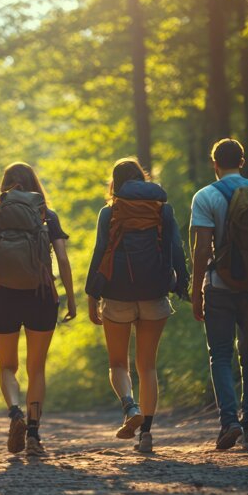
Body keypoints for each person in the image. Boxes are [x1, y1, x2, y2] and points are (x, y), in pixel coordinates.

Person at [85, 158, 189, 454]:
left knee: (118, 363)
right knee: (148, 366)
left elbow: (100, 252)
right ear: (142, 179)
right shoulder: (163, 210)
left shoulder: (109, 212)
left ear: (115, 183)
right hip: (154, 293)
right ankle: (146, 435)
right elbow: (176, 248)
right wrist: (182, 285)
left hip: (117, 294)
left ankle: (130, 408)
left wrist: (92, 295)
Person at [0, 163, 76, 457]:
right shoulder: (47, 215)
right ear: (35, 184)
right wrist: (71, 298)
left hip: (1, 296)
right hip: (40, 296)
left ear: (4, 184)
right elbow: (62, 260)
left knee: (7, 366)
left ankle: (15, 412)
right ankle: (33, 435)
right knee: (36, 368)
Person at [188, 139, 248, 451]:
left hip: (219, 287)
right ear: (242, 161)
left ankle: (229, 422)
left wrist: (196, 291)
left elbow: (202, 249)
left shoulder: (205, 196)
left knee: (220, 355)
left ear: (214, 164)